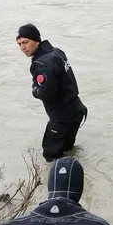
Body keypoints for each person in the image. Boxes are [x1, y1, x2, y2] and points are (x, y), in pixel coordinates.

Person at [17, 24, 88, 162]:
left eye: (26, 42)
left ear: (36, 40)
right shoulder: (56, 52)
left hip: (62, 118)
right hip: (76, 110)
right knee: (67, 151)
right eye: (19, 44)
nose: (22, 47)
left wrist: (35, 90)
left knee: (51, 157)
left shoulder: (43, 63)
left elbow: (45, 92)